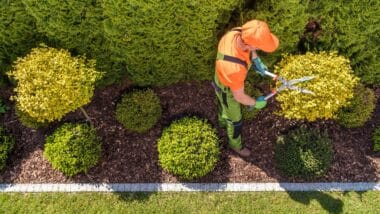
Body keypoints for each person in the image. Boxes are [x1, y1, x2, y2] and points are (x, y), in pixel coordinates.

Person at [213, 20, 279, 157]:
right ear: (250, 44)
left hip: (220, 76)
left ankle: (222, 121)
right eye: (259, 47)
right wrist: (256, 103)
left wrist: (256, 60)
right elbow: (239, 97)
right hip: (227, 90)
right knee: (235, 121)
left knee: (222, 105)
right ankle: (235, 145)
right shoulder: (235, 69)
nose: (259, 50)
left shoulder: (236, 33)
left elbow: (250, 48)